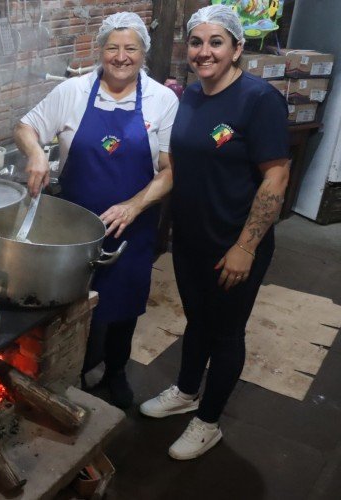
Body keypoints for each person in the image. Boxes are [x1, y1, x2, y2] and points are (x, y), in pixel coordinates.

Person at [140, 5, 290, 460]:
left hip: (235, 243)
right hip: (190, 238)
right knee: (198, 321)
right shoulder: (189, 95)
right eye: (197, 42)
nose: (204, 52)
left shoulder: (258, 99)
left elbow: (276, 176)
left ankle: (208, 422)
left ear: (237, 48)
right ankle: (187, 391)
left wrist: (246, 245)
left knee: (226, 333)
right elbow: (181, 163)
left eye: (216, 42)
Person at [15, 12, 178, 409]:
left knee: (124, 306)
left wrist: (134, 204)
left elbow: (170, 171)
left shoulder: (163, 99)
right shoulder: (73, 90)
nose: (121, 57)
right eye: (113, 48)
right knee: (72, 304)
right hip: (73, 226)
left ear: (144, 53)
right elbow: (25, 127)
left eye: (131, 49)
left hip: (132, 227)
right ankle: (68, 371)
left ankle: (116, 370)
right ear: (100, 51)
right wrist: (36, 152)